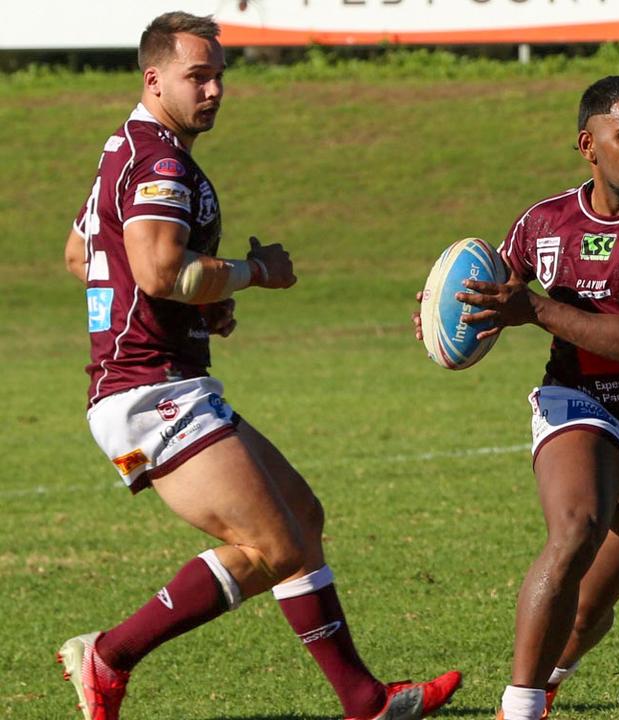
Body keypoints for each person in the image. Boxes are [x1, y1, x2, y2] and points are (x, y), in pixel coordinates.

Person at [59, 12, 460, 720]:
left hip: (163, 380)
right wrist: (253, 272)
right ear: (154, 79)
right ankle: (115, 656)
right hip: (148, 391)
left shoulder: (124, 148)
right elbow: (157, 270)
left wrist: (197, 306)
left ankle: (357, 699)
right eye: (198, 76)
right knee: (275, 543)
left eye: (220, 75)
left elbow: (82, 255)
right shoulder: (159, 160)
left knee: (301, 517)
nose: (214, 90)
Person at [414, 75, 619, 720]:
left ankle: (548, 684)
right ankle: (519, 710)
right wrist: (449, 310)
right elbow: (492, 290)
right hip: (578, 402)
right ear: (590, 145)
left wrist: (531, 308)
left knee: (587, 615)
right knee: (576, 528)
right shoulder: (542, 222)